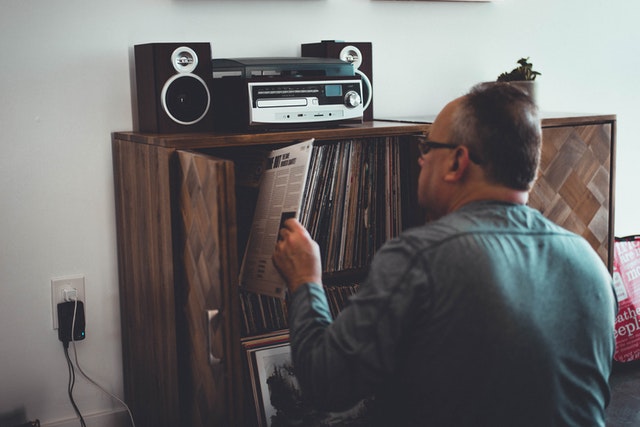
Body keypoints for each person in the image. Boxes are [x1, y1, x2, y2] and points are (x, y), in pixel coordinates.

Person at [272, 82, 617, 426]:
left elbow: (325, 385)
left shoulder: (419, 257)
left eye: (428, 146)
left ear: (456, 162)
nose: (421, 159)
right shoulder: (590, 263)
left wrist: (305, 279)